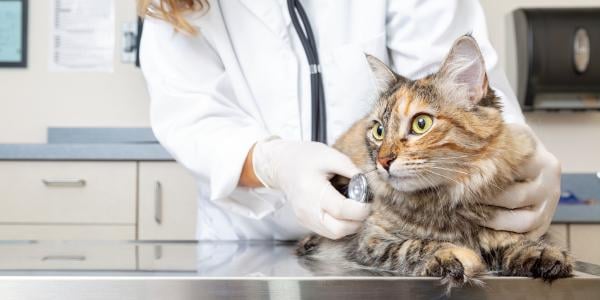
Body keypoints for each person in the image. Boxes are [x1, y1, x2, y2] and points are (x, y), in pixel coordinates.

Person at [138, 0, 561, 241]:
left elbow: (455, 78)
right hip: (250, 245)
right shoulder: (171, 5)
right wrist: (274, 164)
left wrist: (514, 153)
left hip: (398, 240)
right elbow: (192, 119)